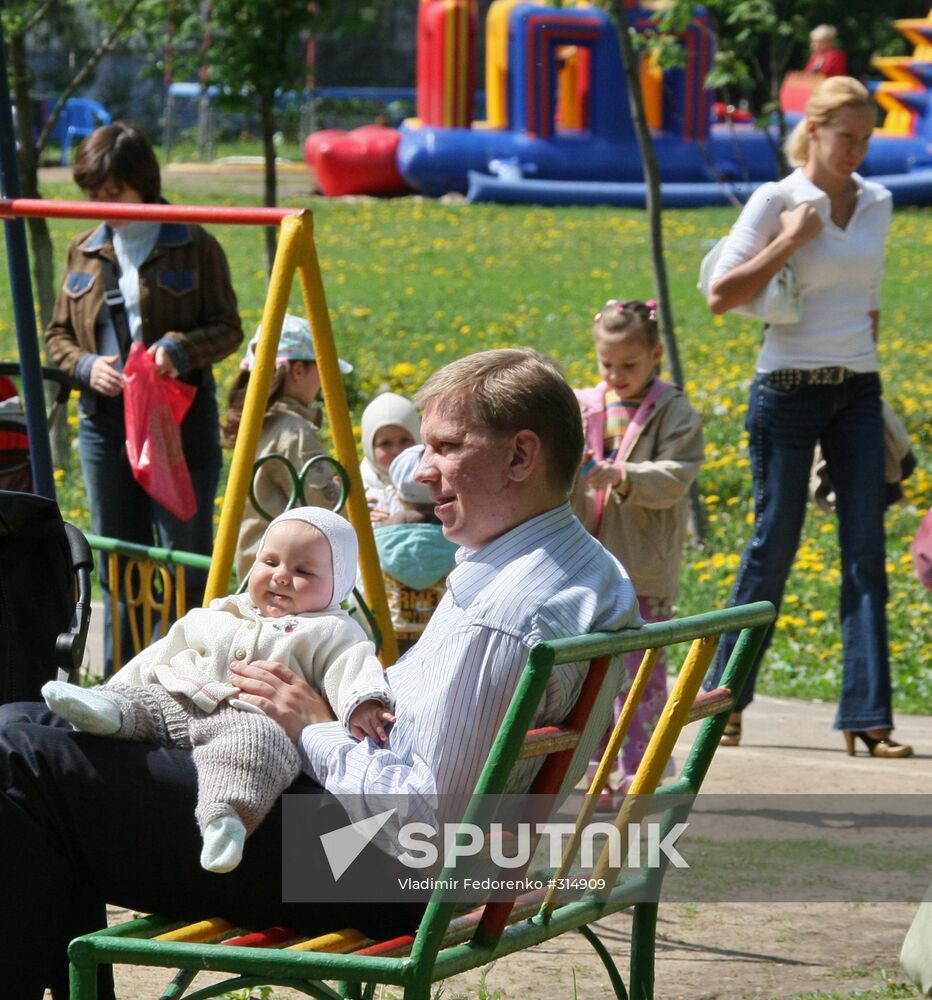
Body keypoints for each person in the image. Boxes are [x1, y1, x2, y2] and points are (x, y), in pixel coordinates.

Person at [0, 347, 641, 998]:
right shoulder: (586, 571)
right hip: (405, 856)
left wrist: (312, 726)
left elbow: (425, 828)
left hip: (372, 872)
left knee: (20, 757)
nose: (420, 471)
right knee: (26, 728)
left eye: (447, 447)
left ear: (520, 456)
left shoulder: (507, 612)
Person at [701, 77, 911, 758]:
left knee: (865, 555)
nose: (856, 148)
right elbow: (721, 295)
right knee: (773, 546)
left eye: (866, 136)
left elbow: (870, 301)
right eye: (845, 134)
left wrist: (872, 392)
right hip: (786, 391)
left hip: (857, 391)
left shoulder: (877, 203)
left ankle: (869, 719)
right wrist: (791, 240)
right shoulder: (778, 199)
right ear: (814, 131)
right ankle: (724, 702)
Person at [41, 507, 393, 875]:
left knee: (253, 750)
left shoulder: (332, 631)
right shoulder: (219, 614)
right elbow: (157, 656)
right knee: (144, 701)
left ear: (339, 584)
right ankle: (101, 710)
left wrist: (364, 703)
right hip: (181, 699)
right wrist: (117, 687)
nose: (281, 577)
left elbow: (353, 668)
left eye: (302, 571)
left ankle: (225, 822)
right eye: (269, 561)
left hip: (248, 719)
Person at [44, 121, 243, 673]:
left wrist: (178, 349)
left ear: (145, 184)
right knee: (118, 560)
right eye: (91, 196)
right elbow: (57, 335)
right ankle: (122, 680)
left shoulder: (194, 242)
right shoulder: (82, 246)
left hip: (177, 421)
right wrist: (86, 366)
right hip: (105, 422)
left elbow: (228, 326)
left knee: (186, 557)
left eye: (113, 195)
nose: (101, 208)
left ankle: (187, 674)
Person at [573, 299, 704, 806]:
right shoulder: (585, 405)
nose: (616, 374)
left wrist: (623, 476)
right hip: (588, 566)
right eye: (607, 364)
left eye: (629, 365)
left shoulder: (675, 410)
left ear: (656, 356)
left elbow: (677, 476)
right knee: (594, 675)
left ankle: (641, 771)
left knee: (643, 678)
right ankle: (599, 773)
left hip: (643, 567)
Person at [224, 313, 353, 583]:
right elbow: (325, 506)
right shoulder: (295, 432)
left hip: (257, 572)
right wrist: (346, 494)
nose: (323, 383)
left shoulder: (258, 423)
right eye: (321, 371)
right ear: (297, 370)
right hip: (289, 581)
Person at [374, 444, 458, 655]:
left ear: (400, 496)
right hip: (444, 652)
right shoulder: (465, 544)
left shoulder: (374, 544)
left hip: (389, 653)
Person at [359, 391, 421, 521]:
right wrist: (356, 518)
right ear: (369, 447)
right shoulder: (358, 486)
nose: (397, 450)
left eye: (405, 440)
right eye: (385, 444)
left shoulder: (432, 480)